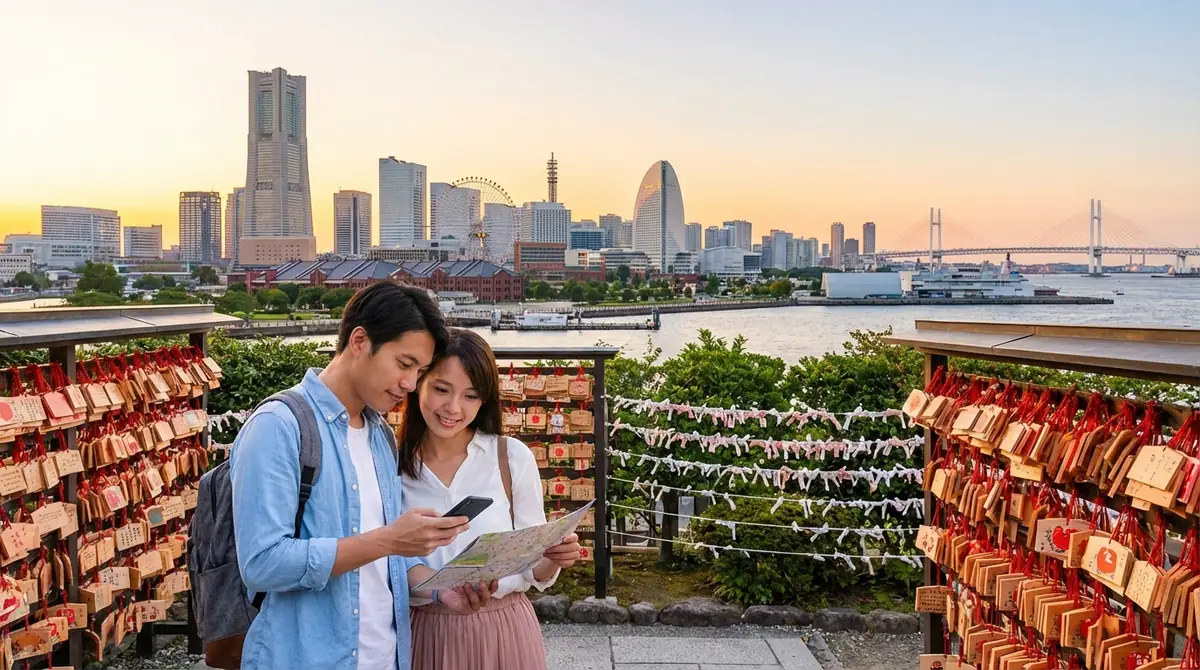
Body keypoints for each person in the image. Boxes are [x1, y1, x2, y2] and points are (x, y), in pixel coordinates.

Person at [230, 283, 493, 670]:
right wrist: (387, 540)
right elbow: (262, 563)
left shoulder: (380, 435)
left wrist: (440, 592)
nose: (409, 383)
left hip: (384, 657)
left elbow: (384, 559)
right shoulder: (278, 426)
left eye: (419, 371)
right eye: (404, 364)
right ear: (359, 341)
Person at [399, 329, 582, 670]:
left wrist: (555, 557)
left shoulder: (510, 457)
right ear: (417, 381)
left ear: (485, 399)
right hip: (422, 630)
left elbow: (533, 569)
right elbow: (385, 562)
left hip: (504, 627)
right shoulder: (391, 465)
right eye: (441, 389)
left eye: (471, 395)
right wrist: (438, 590)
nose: (453, 408)